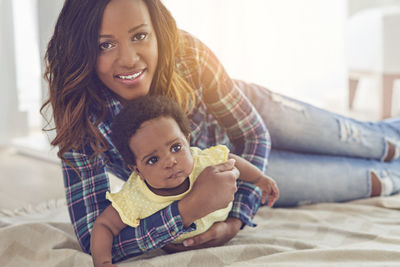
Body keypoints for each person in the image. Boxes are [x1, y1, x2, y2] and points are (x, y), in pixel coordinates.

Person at [41, 0, 400, 263]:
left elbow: (253, 136)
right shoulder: (78, 110)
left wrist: (236, 218)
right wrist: (185, 210)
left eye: (139, 36)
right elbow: (94, 236)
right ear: (83, 50)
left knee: (379, 144)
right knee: (376, 178)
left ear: (156, 30)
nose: (129, 59)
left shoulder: (187, 53)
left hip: (254, 118)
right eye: (106, 45)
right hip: (220, 172)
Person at [90, 95, 279, 266]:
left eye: (175, 147)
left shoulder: (202, 161)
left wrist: (259, 178)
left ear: (187, 141)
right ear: (136, 170)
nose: (170, 161)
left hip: (240, 120)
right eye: (153, 160)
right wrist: (103, 262)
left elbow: (233, 160)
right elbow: (104, 225)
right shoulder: (135, 197)